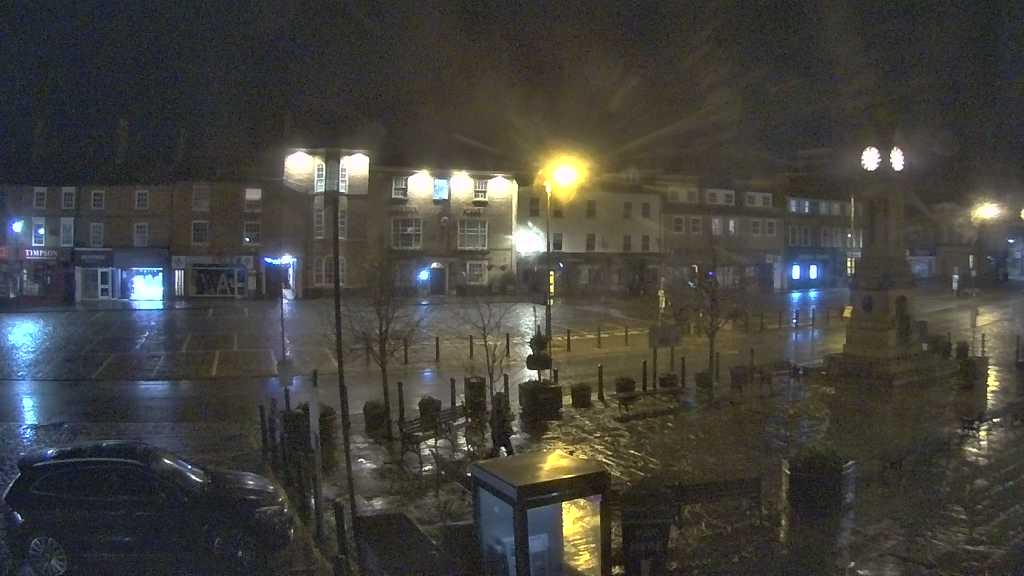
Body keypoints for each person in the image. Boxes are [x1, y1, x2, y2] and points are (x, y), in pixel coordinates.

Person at [489, 392, 514, 457]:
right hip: (500, 434)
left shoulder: (495, 411)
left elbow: (491, 423)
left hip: (499, 435)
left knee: (499, 451)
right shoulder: (497, 412)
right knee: (508, 451)